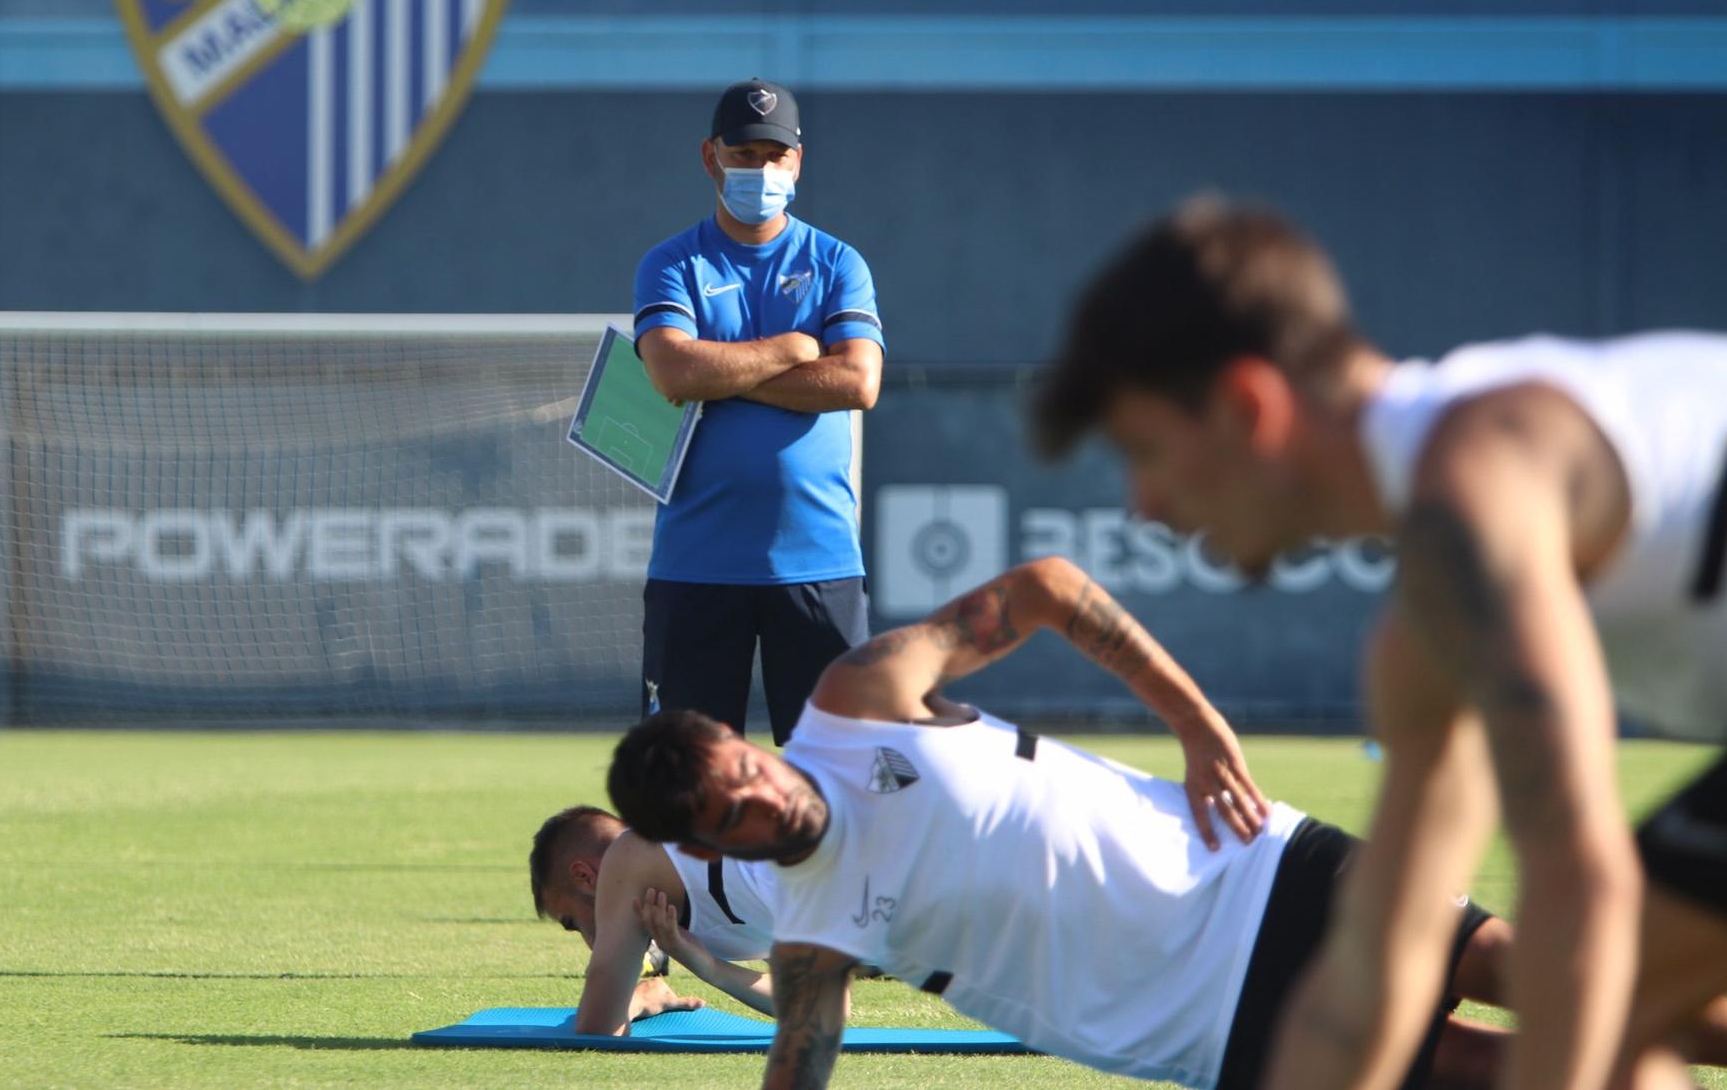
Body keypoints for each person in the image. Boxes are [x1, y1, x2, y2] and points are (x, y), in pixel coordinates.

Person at [1030, 199, 1727, 1089]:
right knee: (1605, 1017)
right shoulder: (1428, 618)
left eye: (1146, 449)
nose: (1144, 505)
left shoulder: (1472, 493)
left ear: (1248, 405)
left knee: (1598, 996)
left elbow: (1577, 892)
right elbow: (1374, 970)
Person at [606, 556, 1522, 1090]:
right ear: (701, 847)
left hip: (1256, 869)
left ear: (739, 739)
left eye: (748, 771)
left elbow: (1045, 587)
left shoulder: (859, 698)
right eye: (734, 814)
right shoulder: (810, 937)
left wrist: (1195, 723)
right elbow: (798, 1064)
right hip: (1219, 1023)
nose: (766, 795)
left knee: (1557, 968)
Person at [630, 77, 884, 743]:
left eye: (774, 156)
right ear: (710, 157)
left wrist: (719, 372)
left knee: (835, 783)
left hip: (820, 563)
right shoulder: (671, 263)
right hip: (695, 564)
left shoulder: (837, 263)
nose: (760, 170)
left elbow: (858, 380)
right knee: (688, 787)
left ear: (797, 160)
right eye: (743, 155)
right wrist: (790, 349)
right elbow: (670, 369)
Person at [528, 803, 779, 1032]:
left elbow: (598, 1029)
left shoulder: (630, 859)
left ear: (585, 877)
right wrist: (712, 969)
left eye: (572, 923)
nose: (591, 946)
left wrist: (635, 1000)